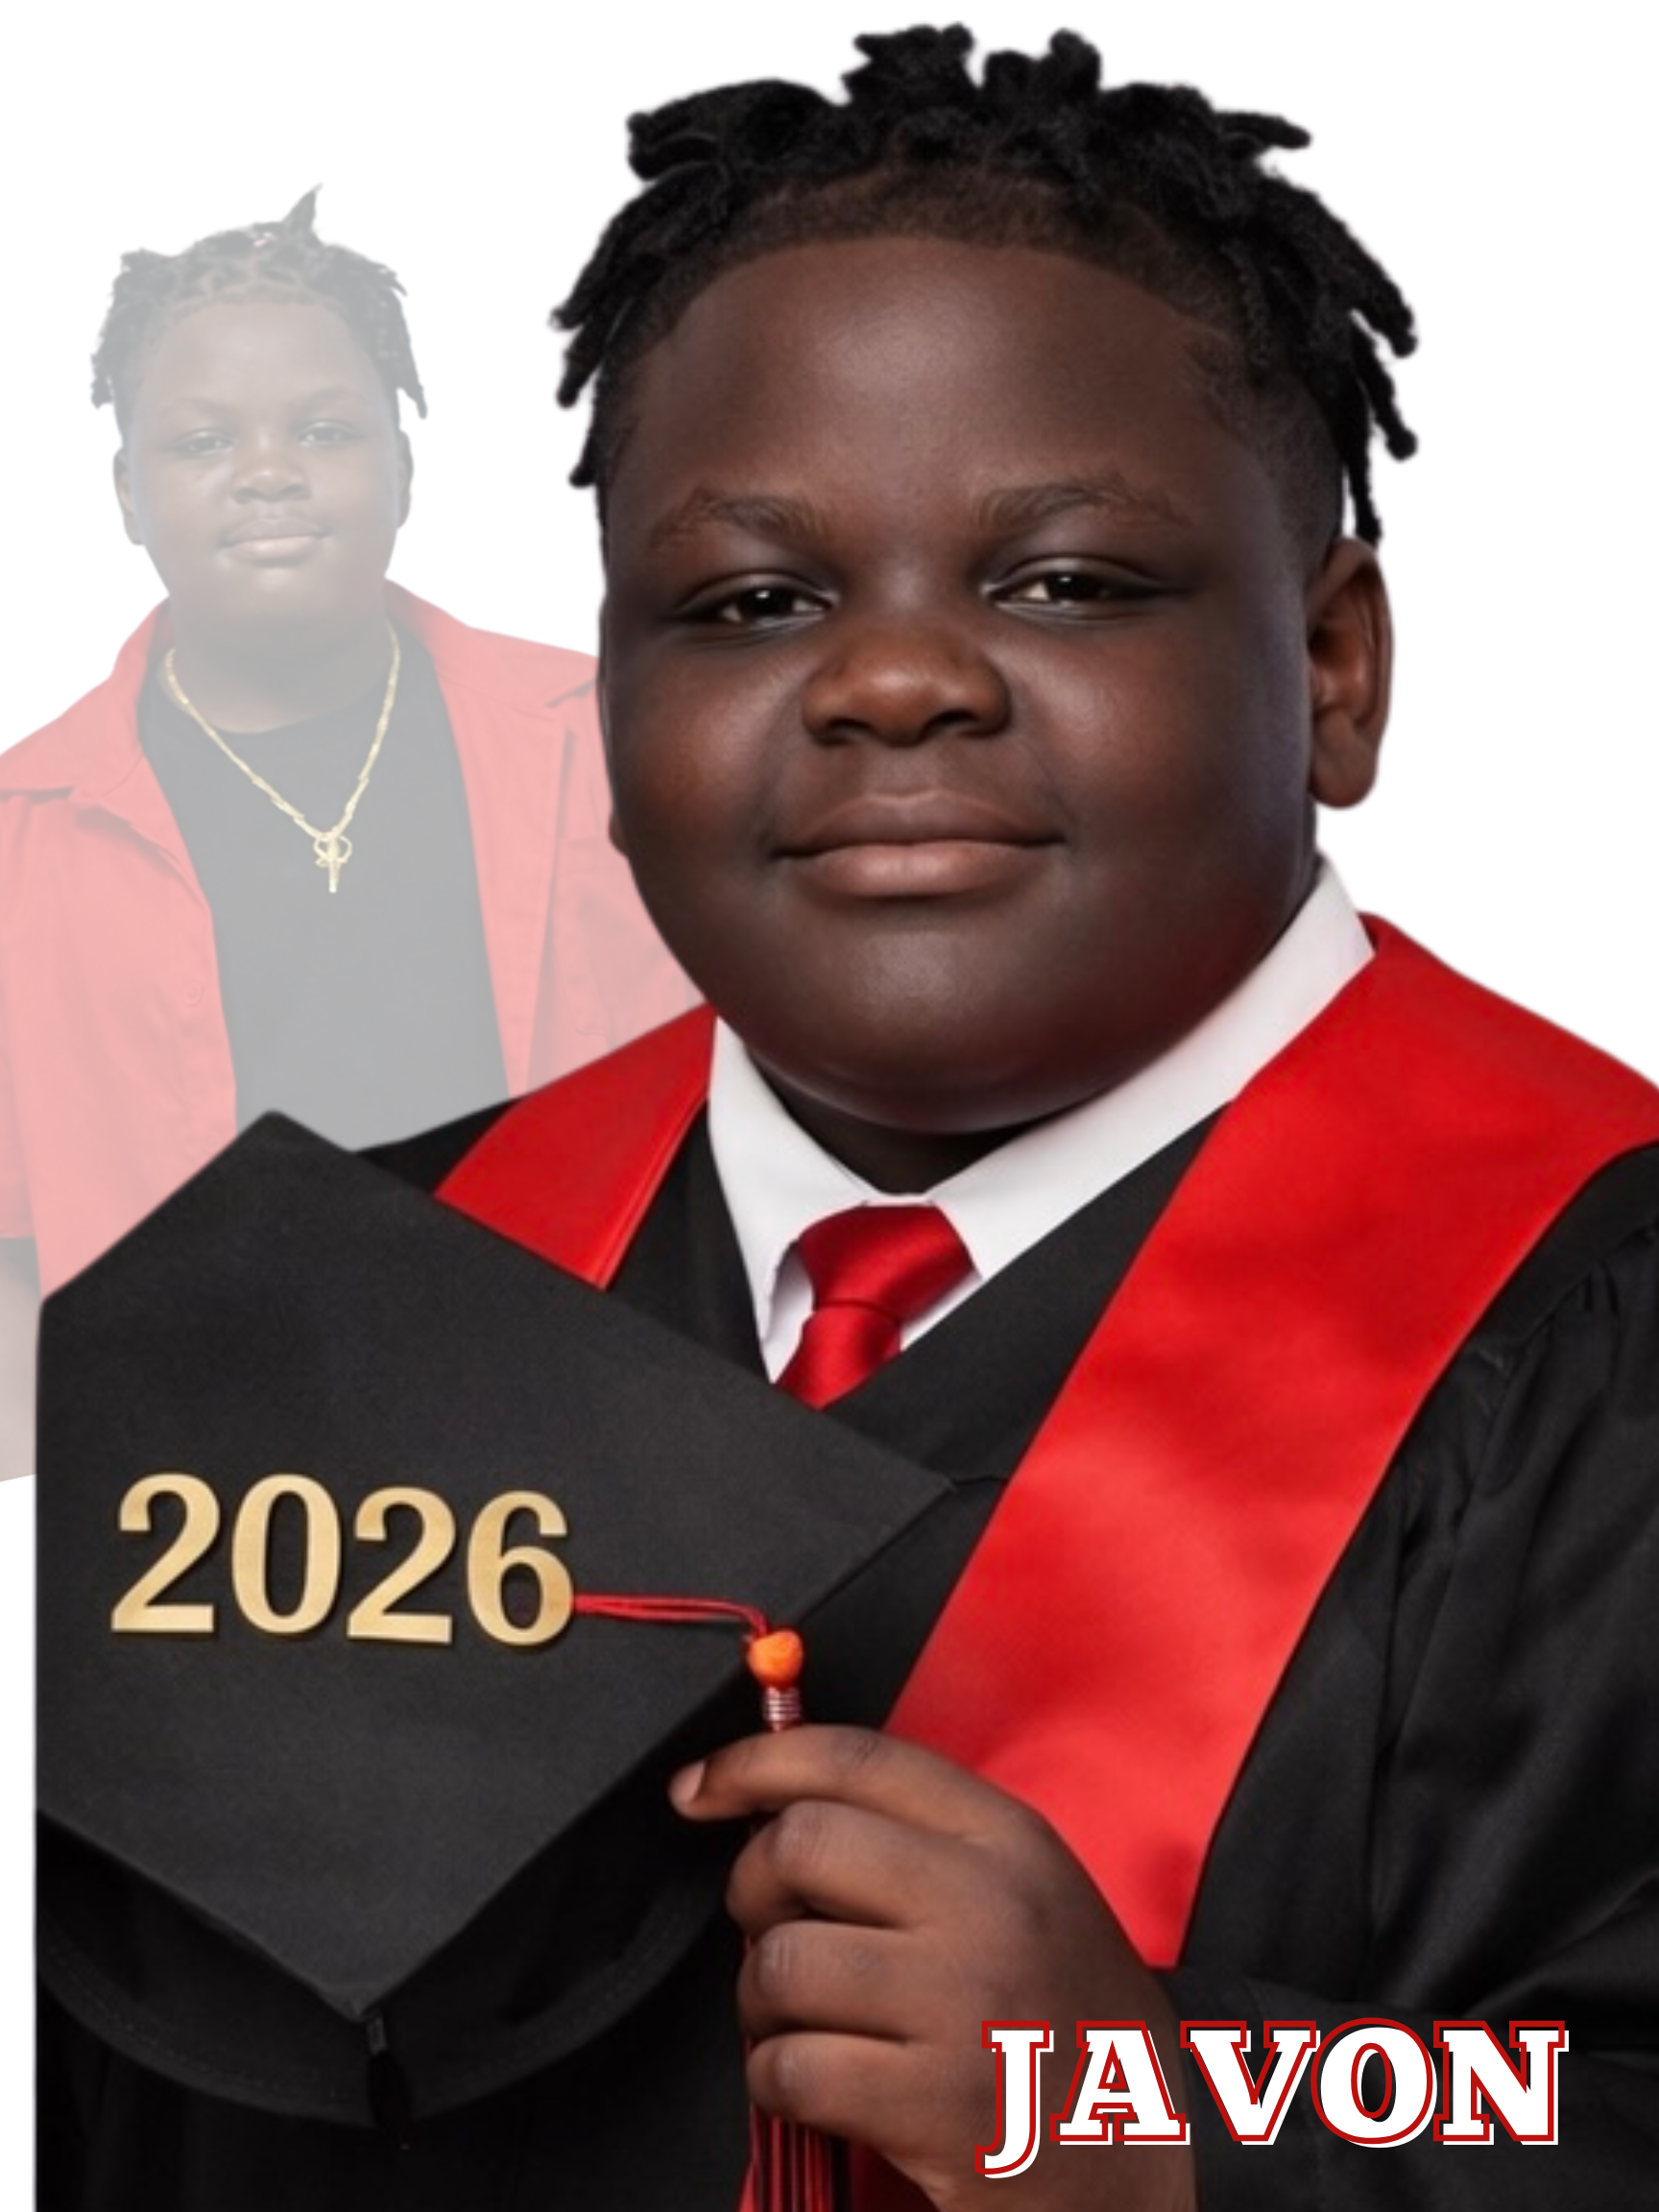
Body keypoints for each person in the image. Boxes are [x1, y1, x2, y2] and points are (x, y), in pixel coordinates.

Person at [37, 26, 1659, 2211]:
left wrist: (1166, 2116)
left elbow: (1604, 2088)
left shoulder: (1601, 1335)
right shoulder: (335, 1334)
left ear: (1340, 669)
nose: (893, 682)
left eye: (1068, 582)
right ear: (605, 712)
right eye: (749, 604)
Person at [0, 191, 692, 1477]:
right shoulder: (19, 842)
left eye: (323, 429)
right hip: (196, 1509)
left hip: (581, 1450)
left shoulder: (613, 740)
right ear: (126, 493)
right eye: (202, 439)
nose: (268, 470)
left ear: (405, 465)